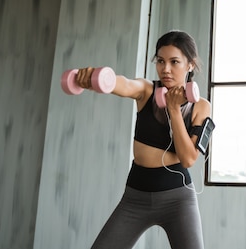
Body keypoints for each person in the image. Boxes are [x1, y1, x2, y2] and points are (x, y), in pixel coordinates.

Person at [74, 30, 212, 249]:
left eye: (174, 62)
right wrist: (95, 77)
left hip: (178, 200)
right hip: (135, 197)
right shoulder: (147, 90)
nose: (165, 69)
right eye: (160, 61)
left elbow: (187, 159)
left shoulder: (201, 106)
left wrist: (174, 109)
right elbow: (125, 84)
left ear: (190, 65)